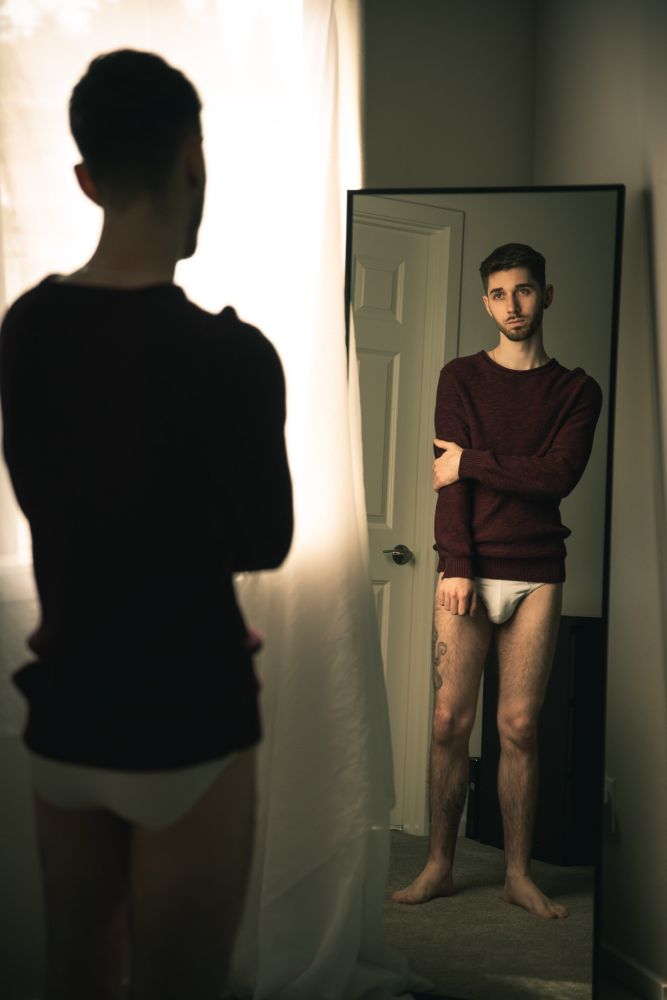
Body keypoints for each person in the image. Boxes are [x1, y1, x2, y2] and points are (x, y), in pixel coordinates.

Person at [0, 49, 293, 999]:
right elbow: (266, 543)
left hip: (68, 716)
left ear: (85, 178)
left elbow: (56, 496)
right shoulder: (235, 356)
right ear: (193, 161)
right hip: (187, 718)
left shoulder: (26, 329)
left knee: (72, 977)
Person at [392, 243, 601, 919]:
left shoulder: (576, 390)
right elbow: (445, 488)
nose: (512, 305)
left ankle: (517, 874)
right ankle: (438, 867)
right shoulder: (459, 378)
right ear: (485, 302)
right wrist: (455, 565)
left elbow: (557, 477)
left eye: (524, 291)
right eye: (499, 294)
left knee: (517, 727)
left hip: (538, 571)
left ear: (546, 294)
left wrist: (472, 461)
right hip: (468, 568)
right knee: (449, 721)